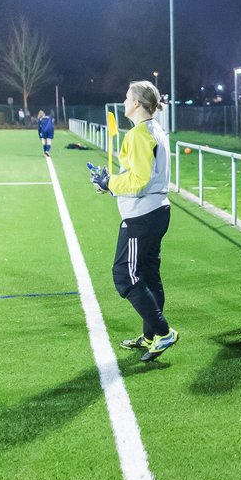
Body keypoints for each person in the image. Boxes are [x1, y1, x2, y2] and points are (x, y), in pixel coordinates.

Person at [90, 81, 178, 362]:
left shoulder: (140, 134)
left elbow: (139, 181)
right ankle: (152, 335)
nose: (124, 100)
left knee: (124, 275)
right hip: (155, 211)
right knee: (149, 276)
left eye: (127, 97)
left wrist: (109, 181)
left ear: (137, 104)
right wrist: (110, 183)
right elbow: (141, 176)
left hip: (142, 214)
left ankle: (163, 332)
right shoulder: (153, 130)